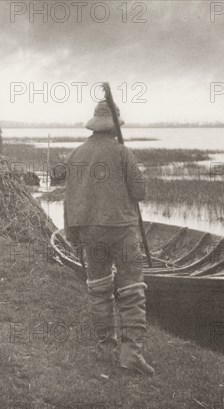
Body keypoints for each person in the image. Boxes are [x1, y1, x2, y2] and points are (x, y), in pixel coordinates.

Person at [63, 100, 154, 376]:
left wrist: (73, 235)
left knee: (99, 289)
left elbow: (70, 200)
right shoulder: (122, 153)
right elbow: (139, 193)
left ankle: (105, 349)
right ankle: (131, 355)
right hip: (122, 230)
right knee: (131, 291)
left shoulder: (76, 155)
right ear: (114, 127)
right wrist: (141, 176)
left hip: (90, 232)